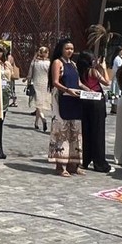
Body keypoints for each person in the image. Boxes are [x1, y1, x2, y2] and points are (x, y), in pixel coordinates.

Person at [48, 37, 85, 177]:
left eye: (71, 49)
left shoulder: (73, 64)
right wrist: (67, 90)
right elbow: (55, 82)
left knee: (75, 131)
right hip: (62, 98)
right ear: (61, 49)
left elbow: (79, 83)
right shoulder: (58, 62)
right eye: (67, 48)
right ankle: (60, 165)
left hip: (74, 99)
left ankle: (73, 164)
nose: (70, 51)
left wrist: (89, 91)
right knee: (62, 131)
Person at [76, 51, 111, 173]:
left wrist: (87, 89)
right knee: (98, 132)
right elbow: (107, 82)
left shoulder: (79, 71)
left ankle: (86, 160)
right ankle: (99, 162)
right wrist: (104, 68)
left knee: (86, 131)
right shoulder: (93, 71)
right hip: (96, 100)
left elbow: (79, 83)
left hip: (84, 100)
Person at [27, 45, 52, 132]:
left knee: (38, 104)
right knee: (40, 104)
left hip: (36, 83)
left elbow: (30, 73)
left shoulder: (35, 62)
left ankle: (43, 119)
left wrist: (28, 81)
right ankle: (36, 123)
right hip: (45, 84)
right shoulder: (49, 63)